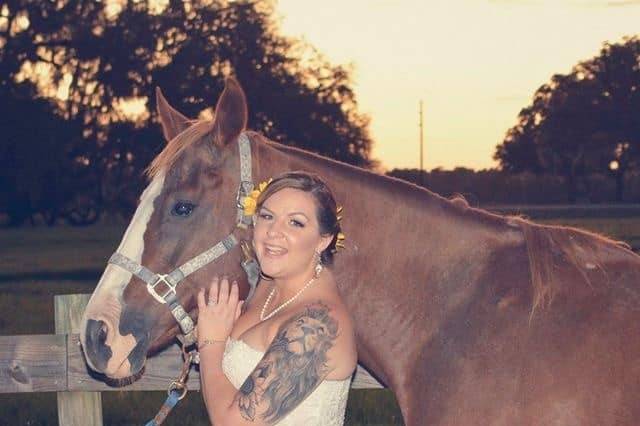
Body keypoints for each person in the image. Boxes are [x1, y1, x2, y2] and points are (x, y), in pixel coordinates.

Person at [196, 171, 357, 425]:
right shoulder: (267, 286)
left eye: (295, 223)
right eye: (267, 216)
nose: (273, 232)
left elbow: (232, 423)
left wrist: (210, 344)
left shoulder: (318, 325)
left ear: (323, 240)